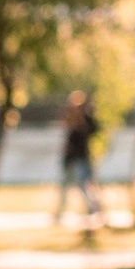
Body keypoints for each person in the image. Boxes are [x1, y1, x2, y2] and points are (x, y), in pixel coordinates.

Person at [55, 88, 102, 232]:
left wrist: (87, 114)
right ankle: (59, 212)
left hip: (80, 158)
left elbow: (94, 129)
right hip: (71, 159)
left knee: (83, 185)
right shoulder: (71, 120)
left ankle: (93, 207)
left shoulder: (85, 121)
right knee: (65, 185)